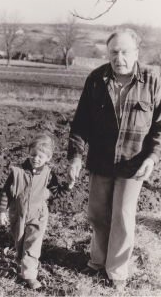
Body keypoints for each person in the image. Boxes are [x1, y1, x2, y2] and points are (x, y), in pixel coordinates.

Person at [67, 29, 161, 292]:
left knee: (122, 215)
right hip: (101, 161)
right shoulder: (96, 79)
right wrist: (75, 158)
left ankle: (117, 271)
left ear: (136, 53)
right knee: (97, 215)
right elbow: (80, 123)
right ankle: (97, 262)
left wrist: (153, 157)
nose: (119, 58)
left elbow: (160, 127)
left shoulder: (153, 81)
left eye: (125, 52)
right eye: (113, 52)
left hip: (133, 163)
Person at [0, 132, 74, 290]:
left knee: (32, 243)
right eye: (33, 155)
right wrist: (2, 211)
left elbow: (56, 192)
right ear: (28, 153)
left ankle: (29, 275)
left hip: (38, 215)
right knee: (19, 242)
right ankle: (20, 262)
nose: (36, 159)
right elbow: (6, 192)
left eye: (40, 157)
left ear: (48, 158)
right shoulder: (17, 171)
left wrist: (68, 186)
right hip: (18, 213)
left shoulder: (48, 174)